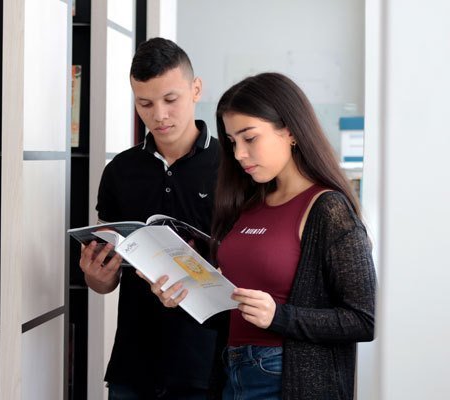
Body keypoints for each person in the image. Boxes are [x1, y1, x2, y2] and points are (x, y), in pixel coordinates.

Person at [149, 73, 377, 400]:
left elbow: (364, 319)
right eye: (232, 142)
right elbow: (234, 312)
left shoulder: (328, 209)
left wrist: (279, 317)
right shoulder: (247, 205)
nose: (239, 153)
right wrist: (188, 297)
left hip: (285, 378)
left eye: (250, 138)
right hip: (232, 371)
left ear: (291, 132)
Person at [79, 37, 227, 399]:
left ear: (196, 90)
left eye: (170, 100)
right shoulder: (120, 171)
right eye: (144, 103)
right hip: (133, 365)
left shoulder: (233, 167)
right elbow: (105, 283)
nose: (158, 115)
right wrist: (96, 276)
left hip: (207, 366)